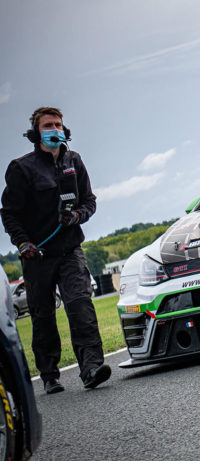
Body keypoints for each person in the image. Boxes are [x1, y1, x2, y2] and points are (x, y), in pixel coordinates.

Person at [1, 107, 111, 393]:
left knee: (80, 306)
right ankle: (49, 374)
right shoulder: (21, 168)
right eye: (48, 125)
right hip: (37, 256)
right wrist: (23, 243)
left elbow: (89, 200)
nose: (54, 129)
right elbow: (9, 213)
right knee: (43, 316)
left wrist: (78, 216)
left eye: (58, 124)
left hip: (70, 250)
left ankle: (91, 368)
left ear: (65, 130)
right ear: (36, 132)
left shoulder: (74, 160)